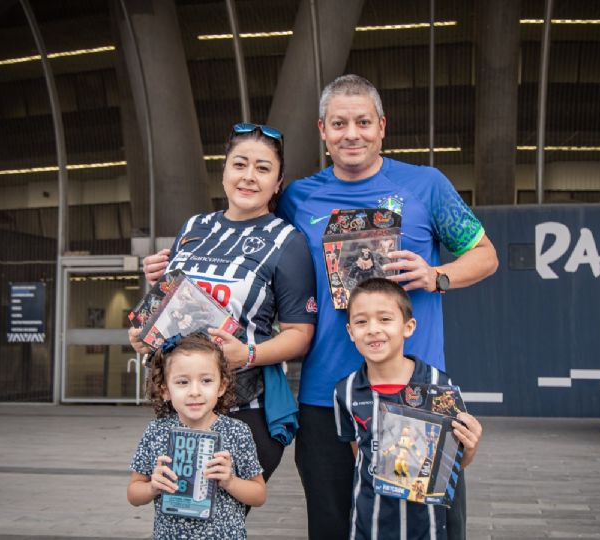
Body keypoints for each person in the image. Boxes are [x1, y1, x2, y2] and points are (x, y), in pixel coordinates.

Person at [276, 74, 498, 539]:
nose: (351, 134)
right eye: (339, 123)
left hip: (413, 395)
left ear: (382, 126)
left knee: (425, 528)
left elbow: (485, 256)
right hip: (327, 396)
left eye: (363, 122)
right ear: (322, 130)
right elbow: (253, 243)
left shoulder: (426, 185)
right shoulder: (298, 198)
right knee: (332, 527)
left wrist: (437, 276)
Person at [134, 123, 317, 487]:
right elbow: (171, 302)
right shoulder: (194, 227)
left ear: (278, 183)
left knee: (219, 514)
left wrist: (247, 354)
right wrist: (145, 332)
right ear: (223, 172)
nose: (249, 176)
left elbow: (300, 335)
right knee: (179, 511)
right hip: (183, 408)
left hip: (243, 411)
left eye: (263, 168)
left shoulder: (288, 242)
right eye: (240, 164)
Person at [333, 278, 484, 539]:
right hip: (370, 525)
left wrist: (470, 447)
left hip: (428, 527)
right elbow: (360, 457)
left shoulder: (439, 385)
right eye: (361, 322)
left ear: (408, 326)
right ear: (350, 332)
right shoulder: (345, 391)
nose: (373, 329)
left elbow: (452, 466)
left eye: (385, 319)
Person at [127, 333, 267, 539]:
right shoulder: (156, 432)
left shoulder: (237, 432)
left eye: (206, 380)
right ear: (165, 390)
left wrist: (230, 481)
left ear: (221, 386)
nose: (195, 391)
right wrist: (152, 487)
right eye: (182, 382)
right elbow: (133, 494)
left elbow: (259, 495)